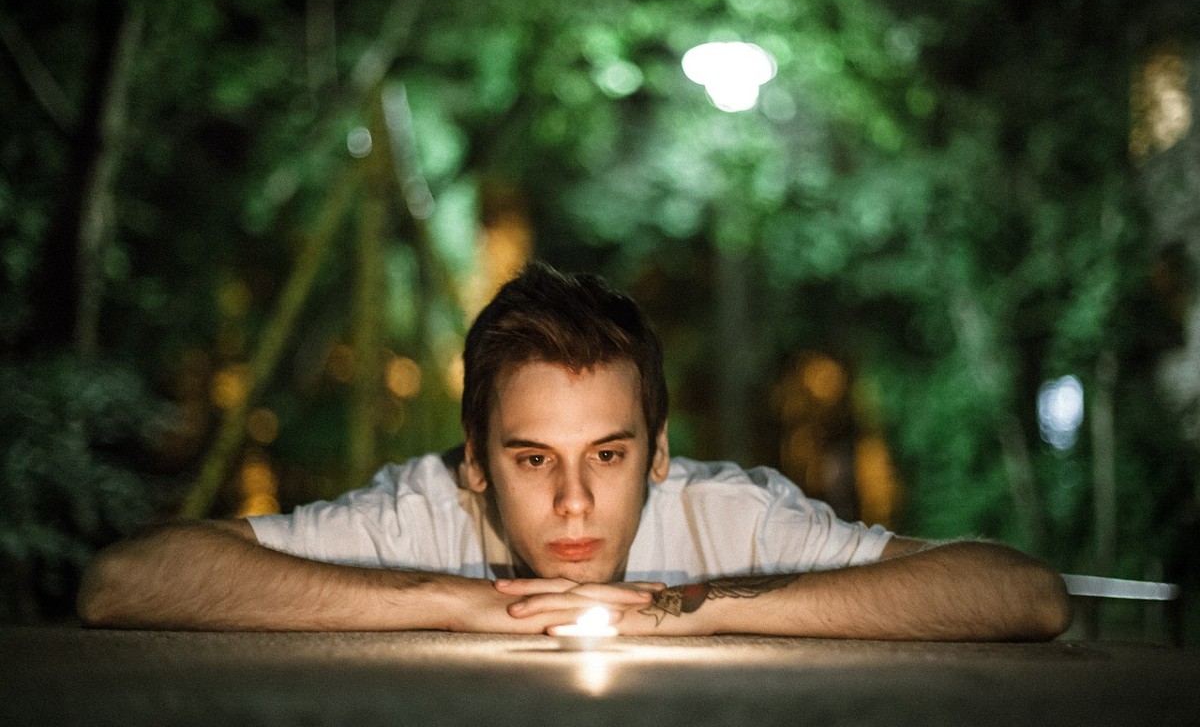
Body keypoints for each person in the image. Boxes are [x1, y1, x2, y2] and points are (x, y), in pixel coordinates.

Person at [77, 262, 1071, 639]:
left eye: (606, 452)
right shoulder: (425, 510)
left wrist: (693, 611)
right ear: (474, 459)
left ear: (657, 453)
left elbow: (1022, 593)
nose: (572, 501)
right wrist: (453, 600)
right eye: (529, 457)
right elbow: (124, 580)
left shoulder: (730, 513)